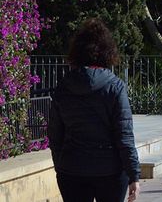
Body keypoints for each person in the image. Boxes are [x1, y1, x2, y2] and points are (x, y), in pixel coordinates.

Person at [48, 18, 141, 202]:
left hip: (72, 169)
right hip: (110, 171)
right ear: (107, 52)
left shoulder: (63, 87)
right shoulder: (115, 87)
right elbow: (124, 135)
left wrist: (61, 164)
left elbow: (55, 134)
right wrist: (134, 175)